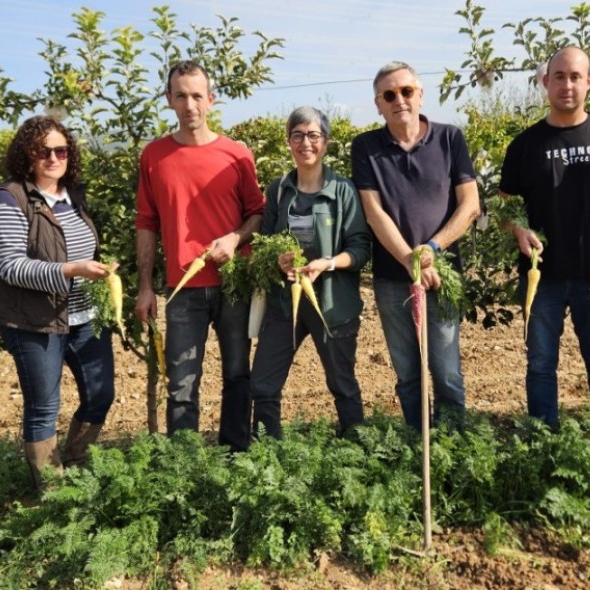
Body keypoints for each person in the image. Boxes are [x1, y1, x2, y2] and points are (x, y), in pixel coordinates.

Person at [498, 46, 590, 428]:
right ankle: (543, 441)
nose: (567, 84)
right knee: (540, 364)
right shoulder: (524, 145)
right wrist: (519, 229)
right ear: (545, 82)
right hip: (540, 278)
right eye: (559, 76)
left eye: (575, 76)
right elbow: (505, 210)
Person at [134, 60, 265, 451]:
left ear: (210, 99)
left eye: (196, 95)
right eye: (180, 96)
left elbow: (257, 213)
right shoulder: (154, 156)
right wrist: (144, 287)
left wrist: (235, 238)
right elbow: (146, 221)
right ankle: (185, 466)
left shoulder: (237, 154)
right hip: (182, 291)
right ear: (169, 100)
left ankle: (234, 456)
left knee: (238, 375)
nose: (189, 104)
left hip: (233, 285)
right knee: (182, 383)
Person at [0, 115, 115, 489]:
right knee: (43, 408)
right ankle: (52, 491)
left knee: (101, 394)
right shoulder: (7, 199)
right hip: (35, 323)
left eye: (61, 150)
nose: (54, 157)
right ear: (27, 154)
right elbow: (10, 267)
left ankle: (75, 462)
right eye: (44, 151)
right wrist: (71, 269)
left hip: (85, 317)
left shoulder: (72, 196)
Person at [351, 61, 481, 429]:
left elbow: (470, 205)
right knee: (408, 374)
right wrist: (411, 260)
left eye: (406, 91)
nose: (399, 100)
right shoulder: (365, 147)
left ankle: (454, 445)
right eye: (389, 95)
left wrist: (433, 251)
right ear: (378, 104)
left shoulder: (449, 138)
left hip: (442, 275)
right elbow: (374, 213)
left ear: (420, 94)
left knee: (447, 373)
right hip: (393, 279)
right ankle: (416, 443)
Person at [250, 106, 372, 439]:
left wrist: (328, 263)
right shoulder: (278, 190)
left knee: (342, 384)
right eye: (298, 135)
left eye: (314, 135)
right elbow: (267, 244)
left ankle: (357, 452)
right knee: (263, 384)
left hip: (332, 305)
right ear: (288, 141)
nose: (306, 142)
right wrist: (278, 259)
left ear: (326, 142)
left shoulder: (343, 190)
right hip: (284, 303)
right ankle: (266, 457)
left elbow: (361, 249)